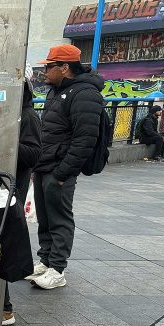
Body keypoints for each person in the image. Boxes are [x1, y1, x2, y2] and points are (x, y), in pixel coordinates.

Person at [26, 44, 104, 290]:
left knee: (59, 218)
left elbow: (85, 139)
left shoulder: (84, 94)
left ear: (64, 67)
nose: (44, 71)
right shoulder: (56, 91)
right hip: (44, 166)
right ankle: (45, 260)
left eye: (49, 66)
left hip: (59, 169)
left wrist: (63, 173)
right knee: (45, 218)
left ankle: (57, 269)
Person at [2, 79, 43, 325]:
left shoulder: (27, 117)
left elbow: (32, 154)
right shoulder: (10, 116)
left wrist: (4, 144)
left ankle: (5, 308)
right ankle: (1, 306)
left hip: (10, 189)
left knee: (0, 244)